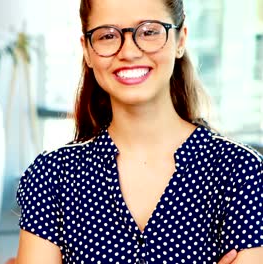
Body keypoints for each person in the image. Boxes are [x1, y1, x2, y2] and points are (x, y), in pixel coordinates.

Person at [15, 0, 263, 263]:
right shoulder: (53, 176)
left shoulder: (242, 172)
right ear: (87, 50)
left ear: (180, 40)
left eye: (149, 31)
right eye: (108, 35)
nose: (129, 52)